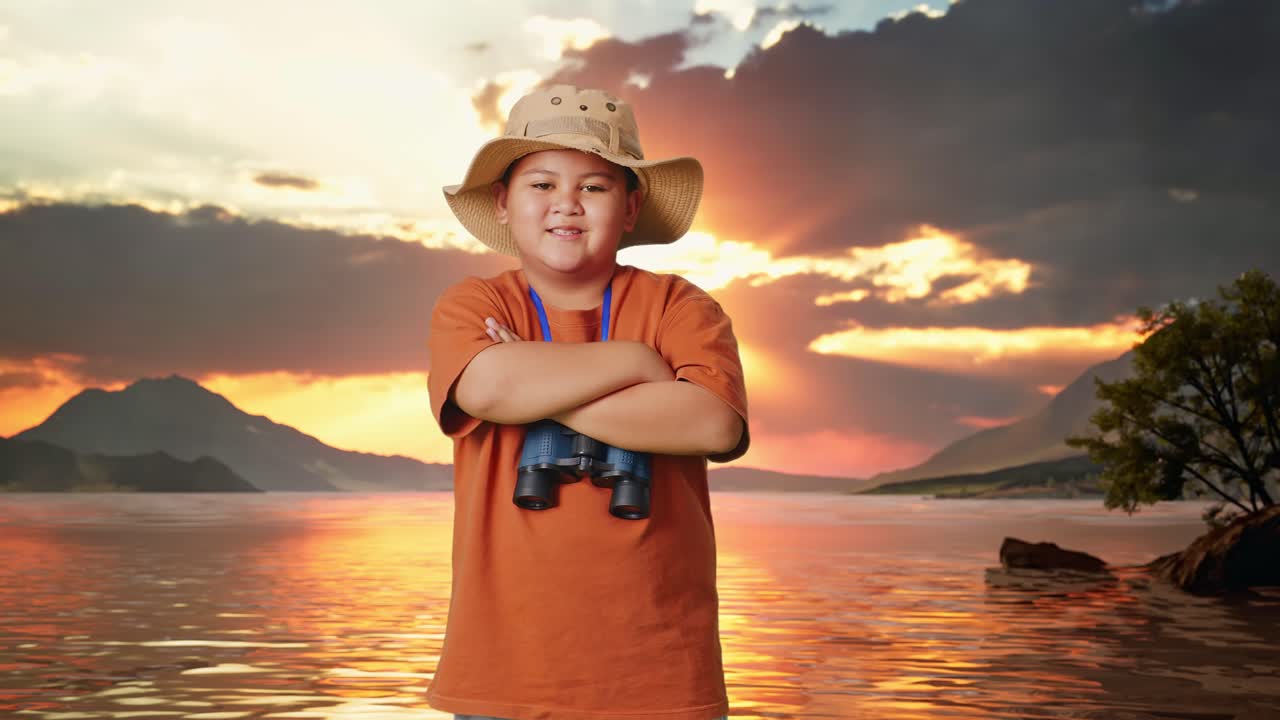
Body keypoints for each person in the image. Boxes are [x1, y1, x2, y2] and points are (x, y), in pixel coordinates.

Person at [426, 83, 750, 720]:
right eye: (541, 184)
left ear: (630, 208)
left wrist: (535, 387)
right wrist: (635, 364)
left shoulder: (680, 306)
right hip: (503, 669)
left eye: (595, 187)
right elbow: (487, 388)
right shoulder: (476, 304)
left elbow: (712, 424)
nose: (566, 205)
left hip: (659, 671)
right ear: (503, 203)